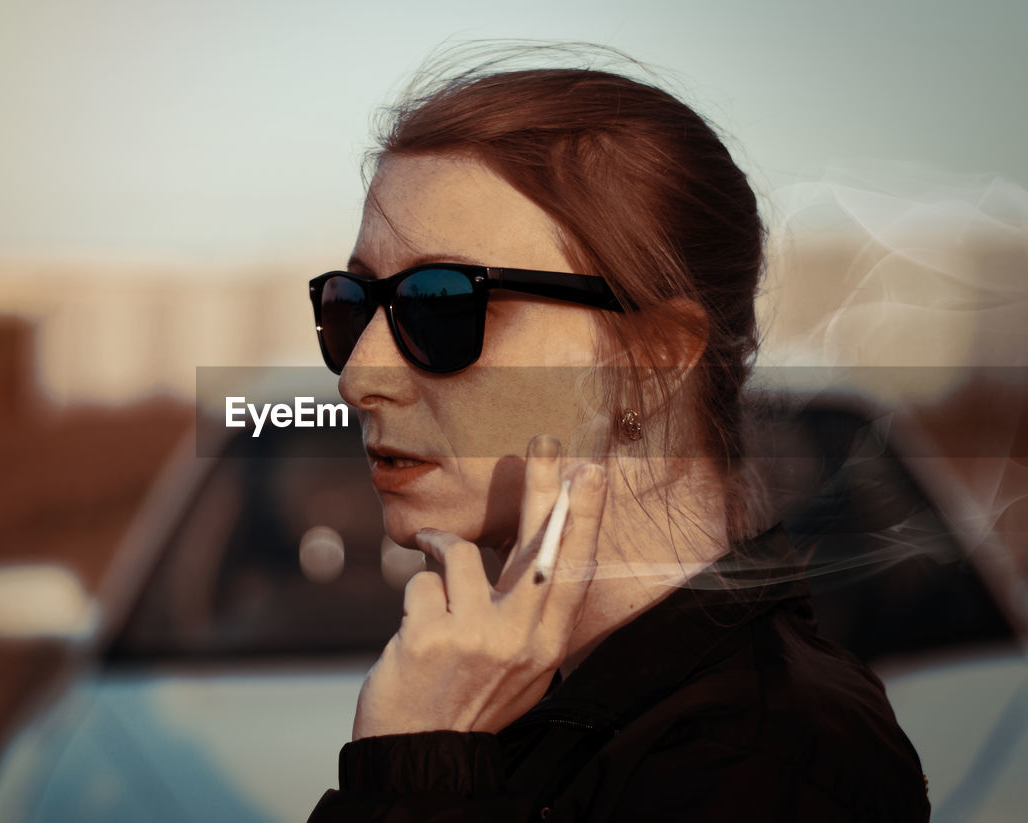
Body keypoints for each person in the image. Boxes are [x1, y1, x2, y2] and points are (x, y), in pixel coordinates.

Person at [305, 46, 930, 822]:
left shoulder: (762, 769)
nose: (359, 373)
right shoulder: (534, 704)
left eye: (441, 306)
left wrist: (410, 776)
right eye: (351, 303)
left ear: (653, 359)